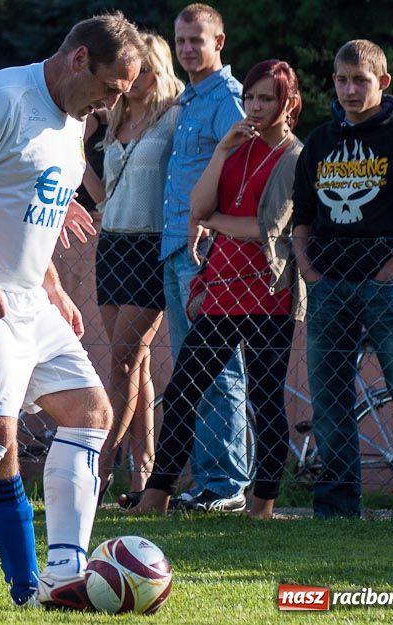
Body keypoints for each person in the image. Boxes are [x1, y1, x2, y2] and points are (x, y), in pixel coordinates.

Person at [0, 13, 142, 611]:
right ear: (78, 59)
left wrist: (55, 287)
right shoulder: (0, 98)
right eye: (112, 86)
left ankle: (64, 574)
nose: (113, 102)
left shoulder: (74, 123)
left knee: (90, 412)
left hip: (30, 298)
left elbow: (26, 216)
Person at [131, 59, 305, 520]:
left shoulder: (293, 156)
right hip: (222, 290)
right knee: (186, 388)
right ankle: (157, 494)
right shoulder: (237, 147)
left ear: (289, 103)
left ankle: (262, 503)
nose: (255, 106)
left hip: (269, 292)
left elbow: (267, 229)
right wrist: (222, 150)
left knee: (265, 397)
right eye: (250, 97)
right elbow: (198, 203)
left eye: (267, 98)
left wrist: (211, 223)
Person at [291, 39, 393, 520]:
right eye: (341, 80)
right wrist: (310, 272)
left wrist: (389, 272)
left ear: (383, 81)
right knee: (330, 404)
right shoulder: (318, 142)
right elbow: (303, 218)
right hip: (328, 289)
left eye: (360, 80)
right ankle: (336, 509)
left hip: (386, 293)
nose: (350, 90)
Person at [82, 33, 183, 507]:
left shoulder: (175, 117)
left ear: (159, 68)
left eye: (145, 69)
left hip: (150, 246)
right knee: (134, 365)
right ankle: (141, 481)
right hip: (113, 245)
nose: (136, 79)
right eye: (132, 70)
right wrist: (81, 155)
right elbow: (106, 196)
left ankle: (98, 469)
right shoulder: (116, 117)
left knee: (122, 360)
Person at [159, 3, 250, 512]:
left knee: (218, 370)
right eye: (181, 41)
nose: (188, 49)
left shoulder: (227, 99)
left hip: (209, 253)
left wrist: (217, 236)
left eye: (197, 40)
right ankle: (207, 482)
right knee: (191, 372)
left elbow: (241, 171)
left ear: (220, 41)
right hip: (176, 248)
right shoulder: (190, 100)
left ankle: (228, 484)